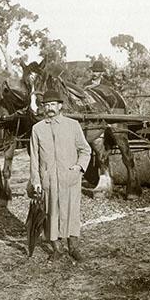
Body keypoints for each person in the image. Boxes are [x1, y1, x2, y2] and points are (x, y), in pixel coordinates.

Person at [29, 89, 92, 262]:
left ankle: (74, 247)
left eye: (52, 105)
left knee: (71, 212)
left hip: (69, 178)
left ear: (60, 106)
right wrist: (36, 180)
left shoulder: (72, 125)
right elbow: (34, 157)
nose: (49, 108)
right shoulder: (37, 129)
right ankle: (56, 248)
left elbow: (85, 150)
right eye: (46, 105)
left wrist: (79, 167)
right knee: (50, 213)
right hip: (48, 180)